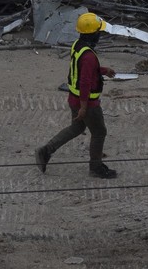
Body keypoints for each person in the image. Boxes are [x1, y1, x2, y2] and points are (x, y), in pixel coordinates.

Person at [35, 11, 118, 178]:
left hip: (73, 98)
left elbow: (82, 72)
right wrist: (84, 106)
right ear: (93, 34)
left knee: (77, 127)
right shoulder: (89, 56)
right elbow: (85, 81)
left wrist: (103, 70)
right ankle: (96, 167)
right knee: (99, 132)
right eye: (98, 32)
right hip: (87, 102)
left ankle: (46, 151)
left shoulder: (78, 46)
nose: (99, 35)